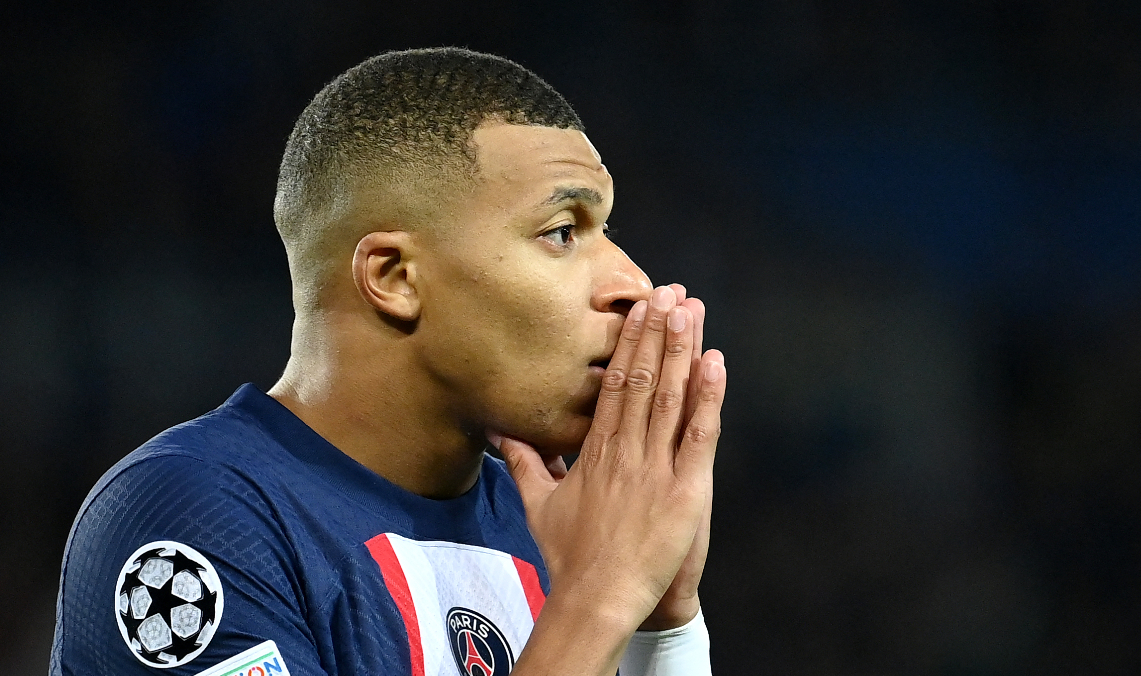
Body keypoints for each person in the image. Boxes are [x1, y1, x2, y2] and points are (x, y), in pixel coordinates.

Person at [50, 47, 726, 676]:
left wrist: (662, 629)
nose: (634, 283)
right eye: (561, 231)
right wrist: (598, 600)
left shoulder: (555, 528)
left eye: (605, 230)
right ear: (395, 277)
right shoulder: (191, 517)